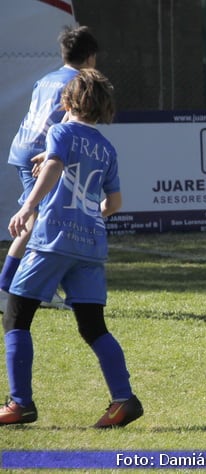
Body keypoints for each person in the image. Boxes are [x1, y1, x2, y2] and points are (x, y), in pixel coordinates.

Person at [0, 69, 143, 428]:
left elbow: (55, 164)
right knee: (93, 325)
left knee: (16, 316)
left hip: (54, 240)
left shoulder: (60, 132)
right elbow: (114, 202)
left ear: (66, 102)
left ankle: (20, 404)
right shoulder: (107, 149)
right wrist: (87, 214)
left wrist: (29, 205)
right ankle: (124, 400)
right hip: (91, 245)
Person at [0, 25, 99, 313]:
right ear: (91, 56)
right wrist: (50, 153)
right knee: (38, 222)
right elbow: (71, 118)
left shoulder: (45, 79)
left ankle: (38, 289)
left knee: (44, 220)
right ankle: (7, 286)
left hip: (22, 149)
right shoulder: (80, 81)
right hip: (43, 155)